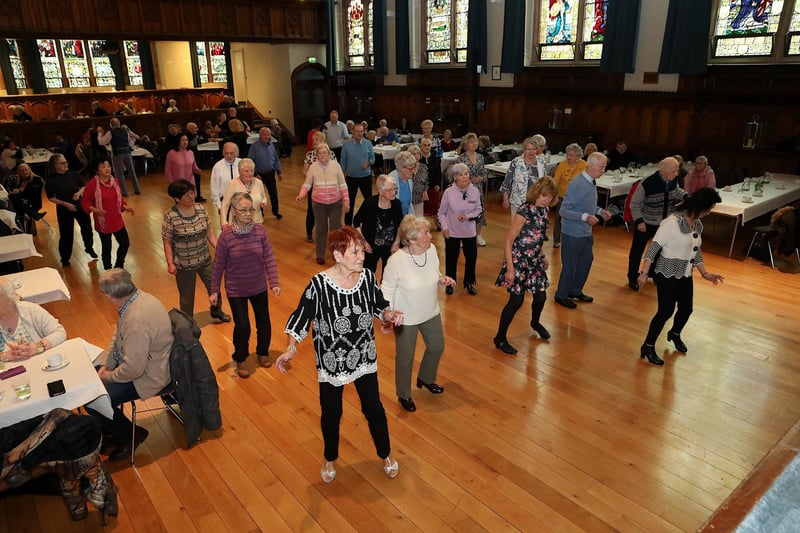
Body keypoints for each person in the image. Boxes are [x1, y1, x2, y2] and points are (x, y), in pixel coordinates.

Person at [276, 227, 403, 483]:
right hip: (332, 362)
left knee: (374, 409)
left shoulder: (367, 277)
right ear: (337, 255)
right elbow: (301, 318)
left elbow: (378, 305)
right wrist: (291, 348)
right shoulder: (319, 285)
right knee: (331, 414)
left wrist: (389, 315)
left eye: (361, 250)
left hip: (364, 355)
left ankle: (386, 454)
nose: (361, 256)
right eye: (354, 252)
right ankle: (329, 458)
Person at [86, 269, 172, 461]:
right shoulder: (138, 300)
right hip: (145, 365)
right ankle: (110, 428)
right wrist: (108, 364)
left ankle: (131, 435)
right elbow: (118, 336)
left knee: (94, 402)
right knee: (88, 380)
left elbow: (134, 369)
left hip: (150, 376)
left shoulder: (136, 321)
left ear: (108, 295)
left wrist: (107, 376)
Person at [637, 188, 725, 366]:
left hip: (685, 273)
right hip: (666, 272)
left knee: (686, 309)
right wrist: (644, 273)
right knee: (665, 311)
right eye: (709, 209)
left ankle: (674, 334)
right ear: (700, 206)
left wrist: (704, 272)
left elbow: (695, 250)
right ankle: (648, 345)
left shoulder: (697, 224)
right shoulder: (672, 222)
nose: (709, 213)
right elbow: (653, 247)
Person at [381, 215, 454, 412]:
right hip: (406, 317)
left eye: (429, 231)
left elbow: (434, 272)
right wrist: (386, 313)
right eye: (426, 233)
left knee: (437, 347)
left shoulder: (430, 250)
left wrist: (441, 279)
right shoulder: (396, 261)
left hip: (430, 310)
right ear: (411, 239)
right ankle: (404, 394)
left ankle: (426, 378)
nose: (431, 235)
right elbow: (386, 289)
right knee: (405, 358)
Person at [210, 192, 280, 378]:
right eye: (243, 210)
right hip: (236, 288)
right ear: (233, 211)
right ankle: (240, 357)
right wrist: (214, 290)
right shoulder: (226, 236)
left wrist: (274, 281)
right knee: (243, 326)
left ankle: (262, 352)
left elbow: (269, 257)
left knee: (264, 322)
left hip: (258, 285)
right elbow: (218, 265)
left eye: (251, 209)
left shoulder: (260, 231)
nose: (248, 213)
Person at [494, 177, 558, 355]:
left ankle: (535, 322)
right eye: (544, 195)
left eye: (550, 197)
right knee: (516, 301)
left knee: (540, 297)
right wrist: (510, 268)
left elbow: (536, 237)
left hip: (534, 259)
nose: (546, 199)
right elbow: (508, 240)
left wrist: (543, 255)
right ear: (537, 192)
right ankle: (499, 338)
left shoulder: (544, 210)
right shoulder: (525, 210)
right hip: (518, 259)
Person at [162, 179, 231, 322]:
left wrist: (219, 249)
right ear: (177, 198)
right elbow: (167, 241)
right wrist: (170, 263)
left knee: (214, 286)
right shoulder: (171, 216)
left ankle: (216, 310)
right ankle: (188, 322)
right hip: (183, 264)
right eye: (186, 195)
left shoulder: (200, 209)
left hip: (204, 259)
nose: (191, 197)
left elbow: (209, 232)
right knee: (186, 296)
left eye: (192, 193)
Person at [554, 152, 611, 309]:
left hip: (584, 232)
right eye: (601, 167)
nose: (603, 171)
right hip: (572, 233)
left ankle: (575, 290)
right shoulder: (578, 183)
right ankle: (561, 295)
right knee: (570, 265)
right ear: (590, 166)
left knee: (586, 261)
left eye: (604, 167)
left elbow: (585, 204)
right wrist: (586, 217)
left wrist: (599, 211)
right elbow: (563, 211)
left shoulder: (590, 181)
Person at [626, 157, 684, 291]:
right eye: (674, 171)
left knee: (660, 251)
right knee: (637, 251)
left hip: (663, 224)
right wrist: (639, 221)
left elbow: (676, 191)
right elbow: (634, 204)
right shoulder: (647, 182)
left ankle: (652, 273)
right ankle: (632, 277)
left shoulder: (673, 179)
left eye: (677, 170)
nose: (677, 174)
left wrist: (685, 196)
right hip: (645, 222)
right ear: (664, 170)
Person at [297, 144, 349, 264]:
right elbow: (307, 184)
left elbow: (342, 185)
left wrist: (346, 201)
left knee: (336, 230)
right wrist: (302, 194)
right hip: (319, 204)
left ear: (329, 154)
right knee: (321, 229)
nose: (322, 155)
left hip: (335, 203)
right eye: (320, 153)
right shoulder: (313, 167)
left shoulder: (336, 166)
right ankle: (320, 255)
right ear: (317, 155)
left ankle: (338, 254)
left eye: (325, 153)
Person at [81, 156, 135, 270]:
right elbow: (85, 202)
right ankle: (108, 270)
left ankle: (119, 265)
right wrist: (96, 210)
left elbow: (119, 199)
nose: (107, 169)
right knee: (107, 248)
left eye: (108, 166)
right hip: (103, 222)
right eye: (103, 167)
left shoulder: (114, 181)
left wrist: (125, 207)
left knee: (125, 243)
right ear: (97, 170)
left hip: (117, 219)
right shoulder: (92, 184)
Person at [438, 163, 482, 296]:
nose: (464, 177)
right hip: (452, 231)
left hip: (469, 232)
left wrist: (468, 216)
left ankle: (469, 282)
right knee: (451, 258)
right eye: (461, 175)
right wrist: (444, 227)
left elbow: (479, 210)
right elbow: (441, 213)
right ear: (454, 177)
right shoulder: (448, 192)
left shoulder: (475, 191)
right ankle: (450, 283)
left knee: (471, 258)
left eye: (466, 174)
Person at [45, 154, 96, 266]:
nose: (65, 164)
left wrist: (79, 193)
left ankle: (89, 248)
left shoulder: (72, 173)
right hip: (64, 209)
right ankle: (65, 258)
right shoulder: (51, 180)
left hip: (80, 206)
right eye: (62, 163)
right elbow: (51, 197)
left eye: (66, 162)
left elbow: (83, 186)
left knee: (87, 229)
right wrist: (65, 204)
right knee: (66, 235)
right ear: (55, 165)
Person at [0, 279, 67, 362]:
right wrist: (4, 356)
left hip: (41, 364)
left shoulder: (30, 310)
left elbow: (60, 332)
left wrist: (37, 347)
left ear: (9, 299)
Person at [353, 174, 403, 275]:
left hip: (390, 247)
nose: (394, 193)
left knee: (389, 275)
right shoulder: (369, 203)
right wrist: (363, 241)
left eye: (395, 189)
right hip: (371, 246)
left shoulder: (396, 204)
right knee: (368, 274)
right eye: (390, 190)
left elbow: (400, 225)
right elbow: (356, 221)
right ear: (380, 191)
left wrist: (397, 242)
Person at [303, 131, 337, 242]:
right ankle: (309, 233)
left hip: (329, 187)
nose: (314, 142)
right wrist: (314, 176)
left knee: (330, 211)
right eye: (313, 140)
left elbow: (336, 169)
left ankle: (331, 235)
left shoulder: (330, 154)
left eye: (317, 139)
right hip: (315, 187)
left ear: (323, 141)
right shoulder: (310, 154)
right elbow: (304, 171)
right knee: (312, 210)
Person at [500, 136, 545, 221]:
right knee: (517, 228)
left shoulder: (541, 162)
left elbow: (544, 182)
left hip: (536, 201)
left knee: (533, 228)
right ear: (524, 150)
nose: (531, 152)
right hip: (518, 201)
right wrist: (505, 199)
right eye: (528, 149)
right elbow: (507, 182)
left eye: (534, 149)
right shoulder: (516, 162)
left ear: (537, 150)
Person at [552, 143, 587, 248]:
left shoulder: (584, 165)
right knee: (559, 219)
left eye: (571, 155)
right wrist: (554, 195)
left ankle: (574, 239)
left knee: (575, 220)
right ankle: (557, 240)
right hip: (563, 197)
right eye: (567, 154)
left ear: (577, 156)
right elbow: (556, 181)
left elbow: (586, 181)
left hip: (578, 198)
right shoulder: (562, 165)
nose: (568, 157)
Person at [457, 133, 488, 246]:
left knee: (478, 211)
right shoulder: (461, 158)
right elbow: (457, 175)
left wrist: (481, 178)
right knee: (465, 211)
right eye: (471, 141)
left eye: (475, 141)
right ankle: (462, 236)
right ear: (466, 144)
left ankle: (477, 234)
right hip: (465, 189)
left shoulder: (480, 157)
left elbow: (484, 172)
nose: (475, 143)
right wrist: (469, 180)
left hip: (478, 189)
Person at [340, 123, 375, 225]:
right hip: (351, 178)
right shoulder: (346, 145)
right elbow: (343, 162)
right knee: (349, 202)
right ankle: (348, 225)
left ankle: (369, 222)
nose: (360, 133)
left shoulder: (368, 143)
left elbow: (373, 158)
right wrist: (341, 176)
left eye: (361, 131)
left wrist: (368, 163)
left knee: (369, 201)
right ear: (352, 132)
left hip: (366, 177)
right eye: (357, 131)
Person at [97, 118, 141, 196]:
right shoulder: (125, 131)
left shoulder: (111, 132)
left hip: (118, 153)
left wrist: (100, 134)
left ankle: (123, 192)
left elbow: (102, 142)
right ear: (119, 124)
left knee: (119, 173)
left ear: (111, 125)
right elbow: (130, 142)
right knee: (131, 171)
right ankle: (137, 189)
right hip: (127, 152)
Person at [248, 127, 283, 220]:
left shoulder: (271, 145)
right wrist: (255, 174)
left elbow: (275, 159)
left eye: (268, 134)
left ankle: (276, 212)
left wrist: (279, 171)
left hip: (270, 173)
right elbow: (250, 161)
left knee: (274, 193)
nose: (266, 136)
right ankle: (260, 213)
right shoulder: (254, 146)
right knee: (258, 195)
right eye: (264, 134)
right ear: (260, 135)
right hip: (259, 175)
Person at [220, 158, 268, 226]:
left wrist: (264, 202)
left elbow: (263, 197)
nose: (250, 173)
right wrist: (224, 222)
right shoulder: (233, 184)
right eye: (246, 171)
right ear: (239, 171)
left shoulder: (259, 183)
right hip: (238, 224)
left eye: (252, 170)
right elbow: (225, 204)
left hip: (257, 222)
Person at [210, 142, 240, 222]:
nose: (229, 156)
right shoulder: (218, 167)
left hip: (241, 201)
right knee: (227, 229)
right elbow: (214, 188)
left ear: (236, 153)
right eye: (226, 153)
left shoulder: (241, 164)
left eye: (231, 153)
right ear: (223, 153)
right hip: (225, 202)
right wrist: (219, 206)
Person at [420, 137, 443, 220]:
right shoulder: (417, 159)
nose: (426, 147)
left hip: (433, 186)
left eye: (428, 145)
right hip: (421, 188)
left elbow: (438, 173)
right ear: (421, 147)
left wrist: (437, 183)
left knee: (435, 207)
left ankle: (438, 224)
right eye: (424, 145)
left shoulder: (436, 159)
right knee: (422, 209)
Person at [389, 151, 418, 216]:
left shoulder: (409, 180)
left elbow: (409, 204)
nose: (413, 171)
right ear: (400, 168)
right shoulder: (390, 181)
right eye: (410, 169)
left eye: (413, 168)